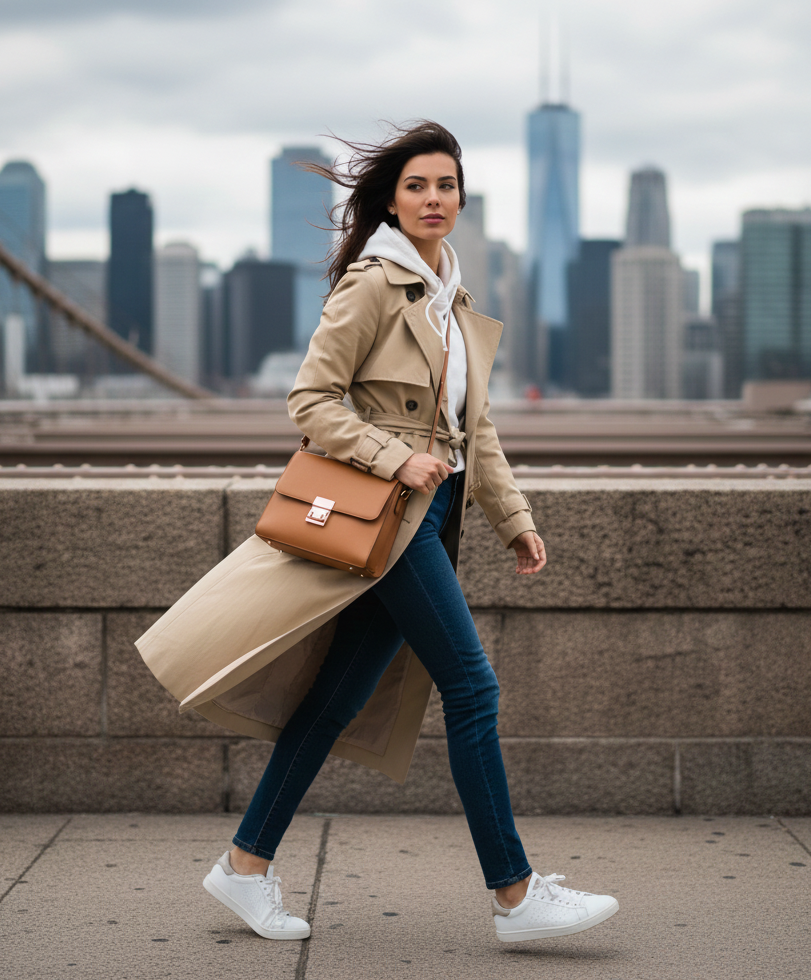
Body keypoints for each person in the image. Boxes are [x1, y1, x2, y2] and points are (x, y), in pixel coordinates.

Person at [135, 121, 618, 945]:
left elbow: (478, 430)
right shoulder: (373, 286)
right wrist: (394, 457)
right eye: (418, 187)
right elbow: (310, 402)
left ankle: (244, 868)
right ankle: (516, 895)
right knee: (473, 689)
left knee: (334, 701)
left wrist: (515, 519)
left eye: (447, 186)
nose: (435, 200)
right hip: (387, 521)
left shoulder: (454, 301)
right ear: (392, 201)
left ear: (462, 198)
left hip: (430, 515)